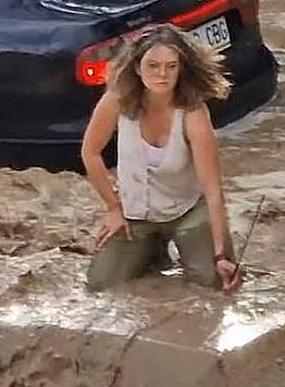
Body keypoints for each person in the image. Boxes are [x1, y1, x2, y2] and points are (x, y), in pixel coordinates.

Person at [81, 23, 242, 294]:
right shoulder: (116, 100)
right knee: (99, 284)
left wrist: (220, 255)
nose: (162, 75)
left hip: (186, 211)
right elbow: (90, 152)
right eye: (153, 66)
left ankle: (186, 251)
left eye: (171, 66)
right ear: (137, 67)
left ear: (181, 69)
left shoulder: (193, 112)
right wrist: (113, 207)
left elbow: (213, 191)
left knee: (213, 283)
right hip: (136, 215)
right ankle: (151, 252)